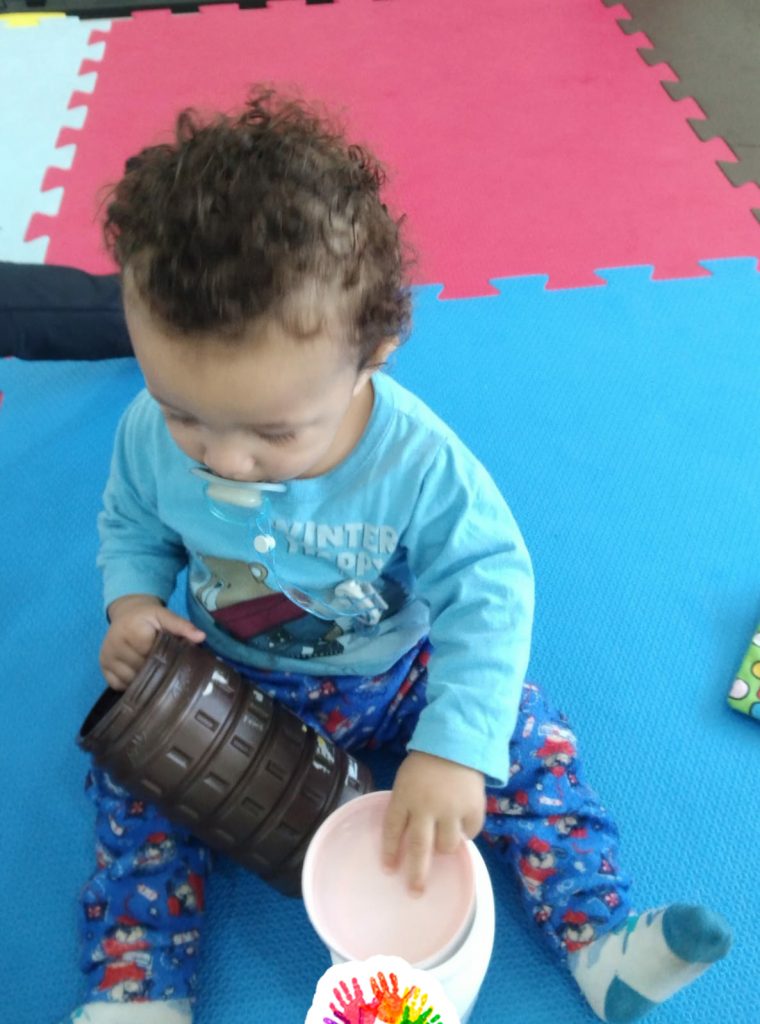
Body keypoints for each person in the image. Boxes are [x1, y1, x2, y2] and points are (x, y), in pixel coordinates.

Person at [63, 88, 730, 1024]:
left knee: (527, 737)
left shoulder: (417, 464)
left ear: (375, 351)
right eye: (185, 414)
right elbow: (132, 521)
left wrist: (454, 748)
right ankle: (137, 990)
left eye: (271, 432)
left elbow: (490, 590)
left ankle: (599, 941)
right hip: (230, 683)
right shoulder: (148, 432)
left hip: (395, 676)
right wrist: (132, 604)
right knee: (131, 786)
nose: (222, 458)